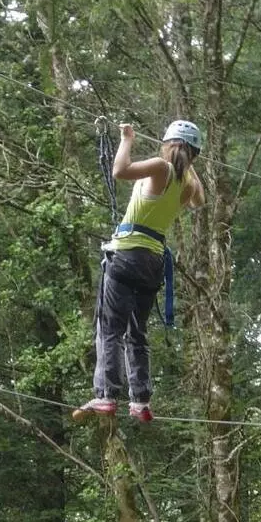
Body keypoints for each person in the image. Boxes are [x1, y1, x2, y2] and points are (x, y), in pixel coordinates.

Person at [75, 120, 206, 422]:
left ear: (168, 144)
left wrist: (126, 139)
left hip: (126, 256)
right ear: (193, 153)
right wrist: (190, 164)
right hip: (153, 263)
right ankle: (140, 402)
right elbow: (200, 202)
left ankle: (106, 396)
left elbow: (120, 170)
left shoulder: (162, 167)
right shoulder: (187, 182)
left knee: (109, 329)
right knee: (137, 333)